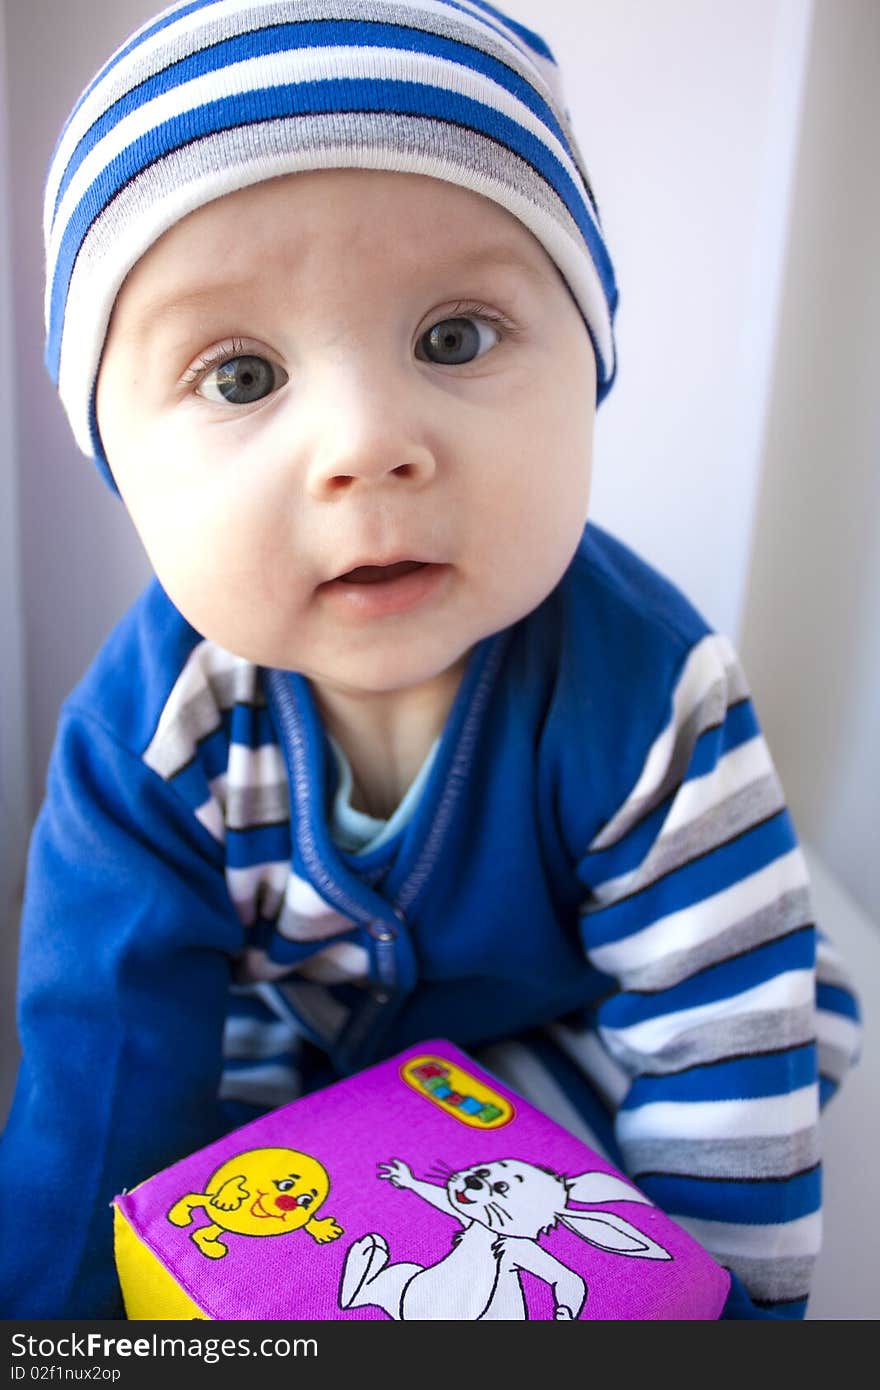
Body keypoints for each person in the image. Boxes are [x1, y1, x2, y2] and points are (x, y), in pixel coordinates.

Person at [0, 0, 861, 1320]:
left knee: (787, 1017)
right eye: (239, 377)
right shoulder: (149, 736)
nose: (365, 443)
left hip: (563, 1018)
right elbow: (101, 1057)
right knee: (199, 1171)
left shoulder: (651, 697)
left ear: (591, 366)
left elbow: (719, 1093)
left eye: (454, 337)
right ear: (117, 461)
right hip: (283, 1035)